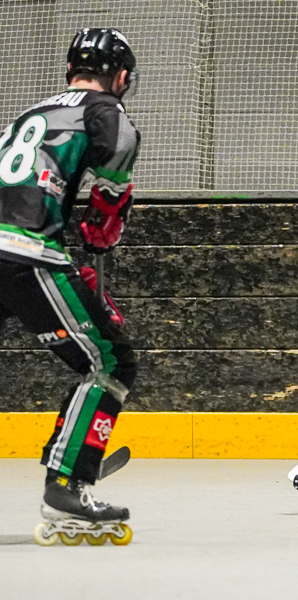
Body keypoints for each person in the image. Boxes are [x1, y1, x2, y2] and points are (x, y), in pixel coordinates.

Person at [0, 28, 141, 544]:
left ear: (68, 73)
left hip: (11, 247)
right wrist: (98, 237)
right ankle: (68, 483)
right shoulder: (105, 110)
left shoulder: (31, 114)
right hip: (24, 251)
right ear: (121, 77)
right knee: (110, 363)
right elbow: (108, 202)